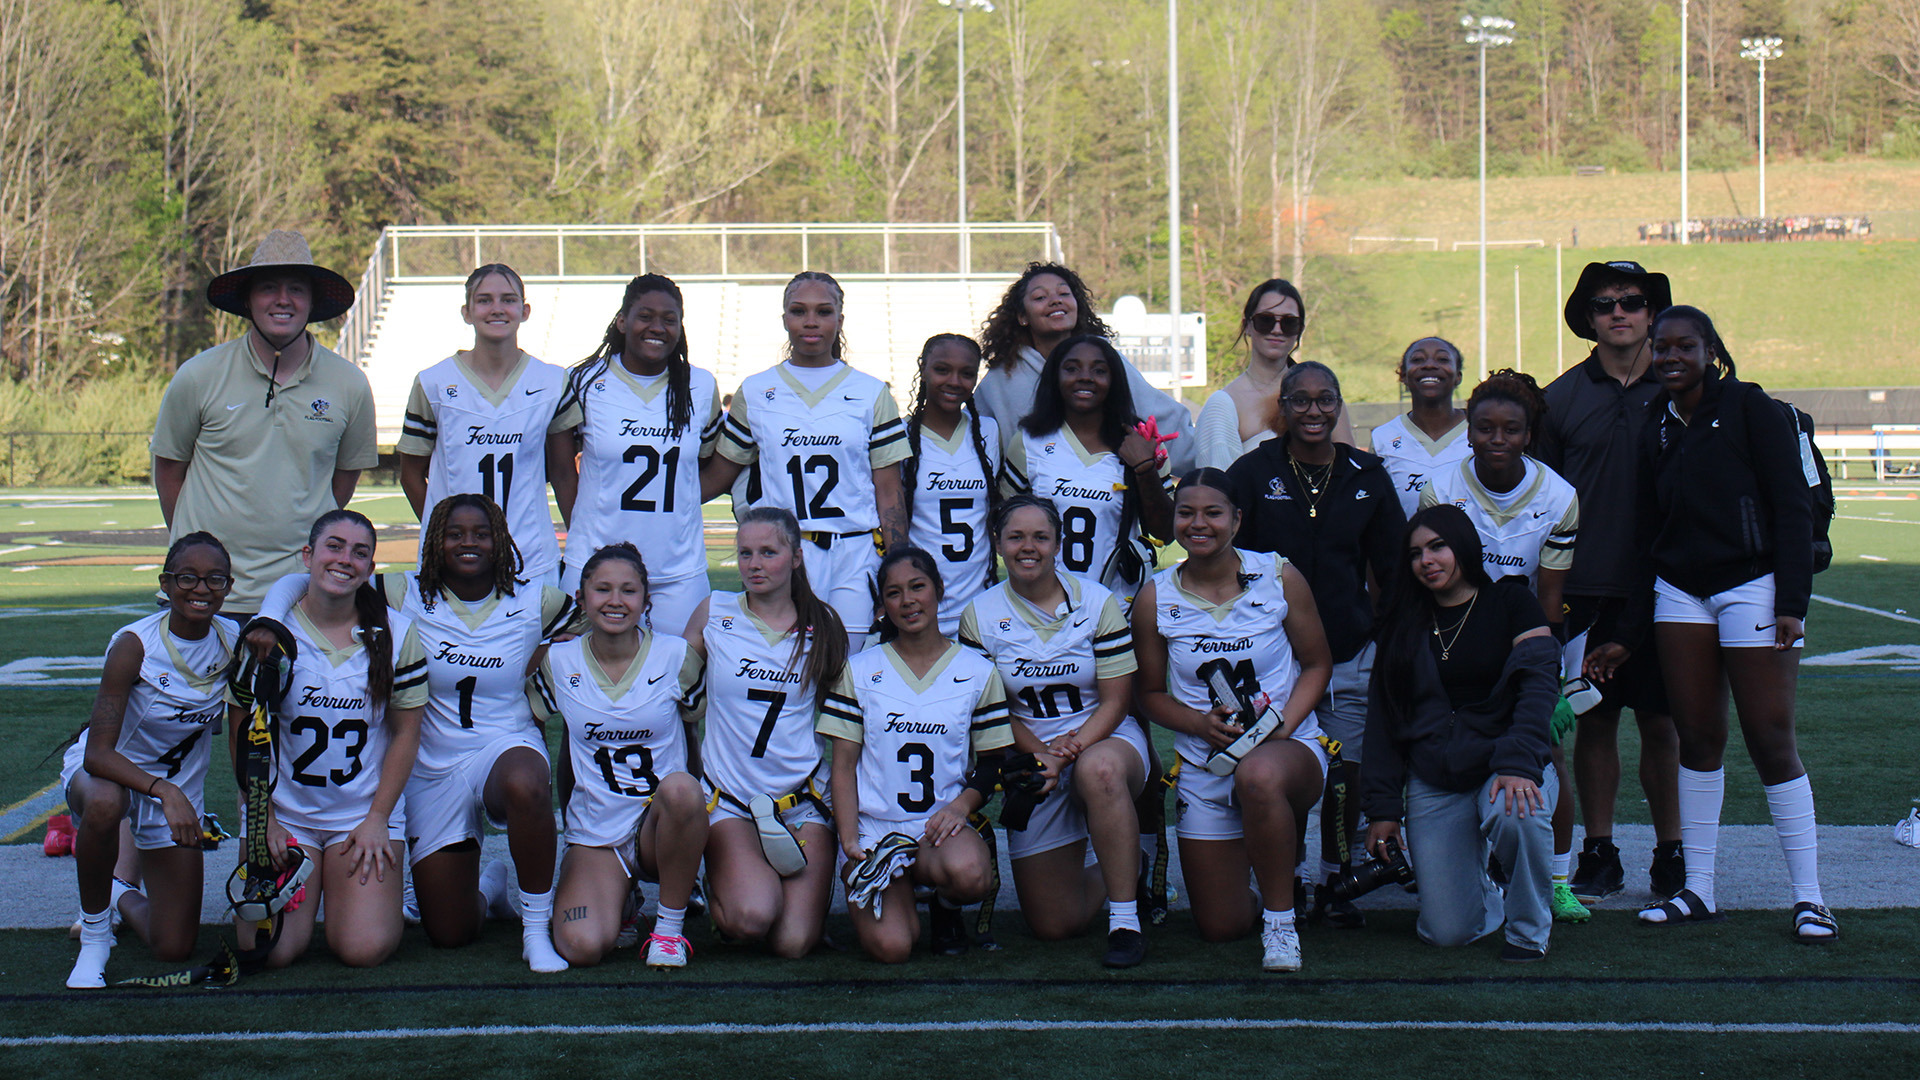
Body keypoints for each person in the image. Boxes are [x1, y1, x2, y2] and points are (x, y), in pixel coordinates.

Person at [254, 494, 578, 971]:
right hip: (428, 766)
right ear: (434, 541)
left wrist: (545, 683)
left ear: (500, 541)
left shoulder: (535, 599)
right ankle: (490, 887)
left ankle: (535, 930)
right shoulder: (403, 592)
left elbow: (605, 621)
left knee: (525, 781)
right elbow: (312, 581)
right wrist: (267, 616)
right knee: (450, 932)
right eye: (454, 533)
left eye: (481, 533)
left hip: (500, 746)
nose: (468, 543)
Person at [1599, 306, 1833, 941]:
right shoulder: (1656, 420)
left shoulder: (1751, 406)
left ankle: (1810, 898)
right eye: (1662, 347)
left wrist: (1792, 602)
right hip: (1680, 593)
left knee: (1770, 738)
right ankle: (1698, 888)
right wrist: (1628, 631)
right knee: (1697, 739)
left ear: (1710, 351)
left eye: (1685, 346)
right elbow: (1648, 532)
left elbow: (1792, 507)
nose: (1671, 357)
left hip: (1753, 586)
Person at [1224, 361, 1405, 923]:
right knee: (1283, 767)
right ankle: (1290, 877)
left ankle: (1335, 877)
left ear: (1339, 405)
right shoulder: (1253, 472)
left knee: (1347, 769)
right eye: (1299, 400)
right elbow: (1227, 560)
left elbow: (1393, 568)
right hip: (1274, 659)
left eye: (1326, 399)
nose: (1313, 411)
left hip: (1349, 650)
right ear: (1282, 406)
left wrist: (1383, 634)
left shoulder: (1366, 473)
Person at [1133, 470, 1333, 972]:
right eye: (1186, 513)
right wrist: (1199, 724)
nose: (1199, 524)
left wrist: (1282, 726)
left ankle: (1281, 923)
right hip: (1207, 766)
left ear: (1237, 519)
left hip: (1286, 752)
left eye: (1213, 513)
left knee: (1258, 775)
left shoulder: (1278, 575)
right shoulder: (1156, 596)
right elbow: (1150, 694)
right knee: (1220, 926)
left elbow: (1317, 664)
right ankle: (1270, 866)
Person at [1534, 260, 1683, 904]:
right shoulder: (1561, 397)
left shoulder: (1682, 388)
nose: (1619, 311)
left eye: (1632, 300)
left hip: (1669, 584)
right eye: (1604, 303)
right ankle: (1599, 850)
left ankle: (1673, 851)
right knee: (1593, 722)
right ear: (1587, 318)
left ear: (1652, 312)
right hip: (1583, 588)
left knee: (1661, 723)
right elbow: (1540, 501)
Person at [1360, 505, 1560, 962]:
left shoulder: (1512, 603)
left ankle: (1529, 931)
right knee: (1446, 932)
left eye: (1438, 547)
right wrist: (1384, 808)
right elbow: (1384, 719)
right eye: (1415, 554)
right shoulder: (1403, 622)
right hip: (1436, 775)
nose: (1426, 561)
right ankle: (1487, 891)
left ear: (1464, 546)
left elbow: (1538, 686)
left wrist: (1518, 762)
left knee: (1516, 811)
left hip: (1503, 764)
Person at [1418, 370, 1583, 922]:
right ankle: (1469, 868)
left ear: (1528, 434)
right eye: (1485, 428)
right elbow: (1428, 574)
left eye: (1510, 430)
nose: (1496, 439)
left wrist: (1550, 677)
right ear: (1468, 431)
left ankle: (1557, 878)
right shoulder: (1442, 487)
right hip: (1453, 632)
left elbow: (1550, 596)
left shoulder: (1559, 496)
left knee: (1545, 750)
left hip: (1525, 633)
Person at [958, 495, 1148, 967]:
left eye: (1041, 537)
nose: (1029, 547)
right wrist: (1042, 754)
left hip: (1104, 738)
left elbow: (1117, 700)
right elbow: (993, 710)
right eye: (1016, 537)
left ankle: (1126, 922)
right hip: (1030, 753)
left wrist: (1067, 752)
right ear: (997, 543)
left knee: (1099, 771)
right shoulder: (979, 615)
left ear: (1058, 544)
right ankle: (1128, 859)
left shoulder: (1097, 602)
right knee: (1054, 924)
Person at [236, 510, 427, 969]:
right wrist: (264, 819)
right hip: (286, 815)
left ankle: (376, 899)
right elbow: (243, 730)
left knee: (364, 949)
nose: (345, 560)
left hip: (358, 814)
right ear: (308, 555)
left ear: (370, 568)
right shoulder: (269, 635)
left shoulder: (397, 634)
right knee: (269, 951)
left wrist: (378, 818)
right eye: (334, 546)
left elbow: (406, 733)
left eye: (359, 553)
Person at [152, 230, 376, 616]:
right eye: (268, 287)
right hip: (205, 592)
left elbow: (343, 481)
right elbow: (169, 471)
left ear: (312, 302)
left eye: (296, 289)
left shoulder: (350, 383)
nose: (283, 300)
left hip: (302, 594)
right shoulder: (198, 375)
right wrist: (197, 554)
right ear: (247, 300)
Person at [820, 548, 1012, 964]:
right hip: (875, 829)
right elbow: (843, 766)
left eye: (917, 587)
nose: (908, 601)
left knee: (971, 874)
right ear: (882, 605)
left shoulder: (977, 671)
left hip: (937, 829)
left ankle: (945, 905)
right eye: (894, 593)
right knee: (893, 948)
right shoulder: (860, 670)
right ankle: (900, 894)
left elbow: (992, 764)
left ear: (939, 590)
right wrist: (849, 839)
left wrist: (960, 807)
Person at [62, 533, 237, 988]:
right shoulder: (135, 644)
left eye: (214, 579)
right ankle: (95, 939)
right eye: (187, 578)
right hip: (111, 772)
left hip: (176, 786)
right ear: (166, 583)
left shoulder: (233, 642)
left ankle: (117, 891)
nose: (201, 589)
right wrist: (165, 791)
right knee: (107, 803)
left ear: (229, 586)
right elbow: (98, 754)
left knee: (173, 945)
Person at [708, 271, 910, 646]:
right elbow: (721, 472)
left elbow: (888, 490)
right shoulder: (756, 390)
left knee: (849, 664)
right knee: (787, 667)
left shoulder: (870, 392)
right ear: (785, 318)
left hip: (854, 550)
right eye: (799, 311)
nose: (811, 321)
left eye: (824, 311)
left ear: (840, 320)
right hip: (784, 552)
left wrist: (897, 566)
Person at [532, 543, 709, 967]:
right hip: (597, 827)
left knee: (683, 790)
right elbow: (539, 734)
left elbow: (696, 733)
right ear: (581, 598)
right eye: (603, 589)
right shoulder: (559, 661)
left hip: (659, 821)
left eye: (628, 591)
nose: (615, 600)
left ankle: (668, 930)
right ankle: (623, 899)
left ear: (646, 601)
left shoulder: (675, 656)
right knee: (580, 946)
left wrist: (695, 815)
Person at [689, 506, 848, 958]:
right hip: (732, 800)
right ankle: (724, 881)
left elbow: (846, 726)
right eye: (745, 553)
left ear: (796, 557)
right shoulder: (714, 612)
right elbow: (676, 697)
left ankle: (773, 882)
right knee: (751, 917)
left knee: (794, 943)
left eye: (768, 553)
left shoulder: (824, 625)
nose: (754, 564)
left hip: (801, 800)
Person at [395, 264, 580, 587]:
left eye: (508, 299)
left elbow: (564, 473)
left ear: (525, 311)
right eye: (484, 300)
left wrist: (579, 546)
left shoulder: (552, 381)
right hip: (455, 562)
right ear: (467, 312)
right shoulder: (434, 383)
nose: (497, 308)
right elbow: (411, 474)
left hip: (532, 557)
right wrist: (443, 536)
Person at [561, 273, 724, 636]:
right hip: (594, 563)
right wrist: (584, 529)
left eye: (669, 319)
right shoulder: (584, 381)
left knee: (682, 669)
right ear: (622, 321)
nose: (657, 327)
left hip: (677, 571)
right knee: (577, 666)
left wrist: (683, 501)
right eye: (645, 316)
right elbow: (561, 467)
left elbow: (708, 464)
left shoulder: (699, 385)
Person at [975, 262, 1195, 474]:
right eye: (1040, 297)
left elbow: (1161, 418)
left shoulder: (1108, 361)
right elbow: (976, 446)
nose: (1056, 301)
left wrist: (1204, 459)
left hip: (1108, 491)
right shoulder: (1000, 381)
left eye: (1064, 294)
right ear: (1022, 316)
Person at [1002, 335, 1174, 606]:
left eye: (1099, 370)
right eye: (1072, 368)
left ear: (1114, 380)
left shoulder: (1140, 438)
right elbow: (1004, 527)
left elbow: (1166, 531)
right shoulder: (1028, 442)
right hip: (1041, 607)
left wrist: (1144, 468)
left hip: (1117, 606)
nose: (1085, 377)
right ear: (1054, 377)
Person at [902, 334, 1002, 636]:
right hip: (920, 602)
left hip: (979, 600)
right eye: (942, 370)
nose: (954, 381)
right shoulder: (901, 435)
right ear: (923, 368)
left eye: (966, 373)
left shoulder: (988, 431)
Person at [1195, 279, 1354, 469]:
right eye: (1265, 320)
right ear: (1247, 325)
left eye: (1289, 322)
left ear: (1300, 330)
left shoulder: (1325, 396)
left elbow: (1350, 470)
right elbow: (1217, 482)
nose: (1277, 330)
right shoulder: (1223, 405)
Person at [1370, 337, 1471, 515]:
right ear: (1403, 375)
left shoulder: (1480, 433)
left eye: (1442, 359)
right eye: (1418, 359)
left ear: (1458, 376)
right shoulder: (1383, 439)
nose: (1429, 365)